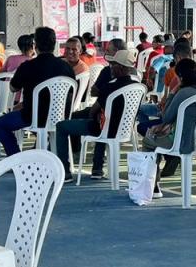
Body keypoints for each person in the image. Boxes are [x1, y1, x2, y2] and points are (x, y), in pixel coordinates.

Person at [53, 49, 140, 180]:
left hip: (104, 128)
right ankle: (97, 169)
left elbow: (93, 111)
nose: (110, 67)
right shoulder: (138, 86)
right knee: (104, 122)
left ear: (121, 67)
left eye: (113, 64)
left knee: (61, 126)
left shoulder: (110, 87)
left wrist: (94, 115)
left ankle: (65, 172)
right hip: (124, 129)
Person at [0, 26, 75, 156]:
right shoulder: (66, 67)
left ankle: (17, 158)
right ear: (54, 44)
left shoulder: (27, 66)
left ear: (35, 45)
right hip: (61, 117)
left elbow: (13, 88)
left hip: (32, 116)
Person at [143, 59, 196, 184]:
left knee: (148, 140)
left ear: (181, 76)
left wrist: (173, 92)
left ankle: (152, 184)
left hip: (182, 141)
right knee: (157, 134)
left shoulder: (183, 92)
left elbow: (166, 117)